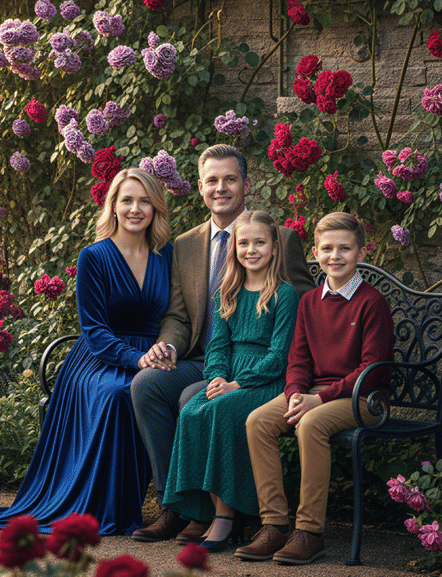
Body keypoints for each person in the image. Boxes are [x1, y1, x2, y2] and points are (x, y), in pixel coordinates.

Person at [0, 167, 172, 535]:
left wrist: (162, 351)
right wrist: (135, 358)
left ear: (155, 207)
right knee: (117, 395)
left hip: (152, 353)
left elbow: (177, 315)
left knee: (149, 392)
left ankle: (167, 505)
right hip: (99, 357)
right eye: (127, 200)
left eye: (144, 201)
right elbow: (94, 330)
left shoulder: (166, 255)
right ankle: (106, 507)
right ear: (113, 206)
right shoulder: (94, 256)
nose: (135, 209)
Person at [130, 144, 315, 543]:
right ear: (200, 186)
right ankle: (175, 506)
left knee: (193, 399)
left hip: (259, 366)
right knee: (146, 385)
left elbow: (304, 313)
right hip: (205, 357)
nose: (221, 188)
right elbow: (178, 316)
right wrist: (168, 346)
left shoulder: (281, 239)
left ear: (246, 184)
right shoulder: (185, 244)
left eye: (230, 179)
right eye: (212, 180)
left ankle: (212, 513)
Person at [236, 211, 394, 565]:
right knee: (258, 421)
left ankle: (310, 532)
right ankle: (275, 525)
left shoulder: (372, 303)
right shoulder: (309, 301)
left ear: (361, 253)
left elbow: (370, 370)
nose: (335, 256)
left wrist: (317, 399)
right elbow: (298, 359)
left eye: (344, 249)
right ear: (316, 253)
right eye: (327, 249)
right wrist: (295, 393)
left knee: (310, 424)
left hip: (364, 398)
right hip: (314, 394)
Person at [162, 211, 300, 551]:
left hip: (265, 382)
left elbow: (279, 355)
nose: (251, 250)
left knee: (221, 411)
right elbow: (217, 346)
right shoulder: (226, 290)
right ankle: (202, 509)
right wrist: (217, 376)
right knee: (192, 411)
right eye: (244, 243)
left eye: (259, 243)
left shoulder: (284, 294)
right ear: (233, 249)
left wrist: (237, 384)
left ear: (274, 248)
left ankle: (227, 514)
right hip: (229, 377)